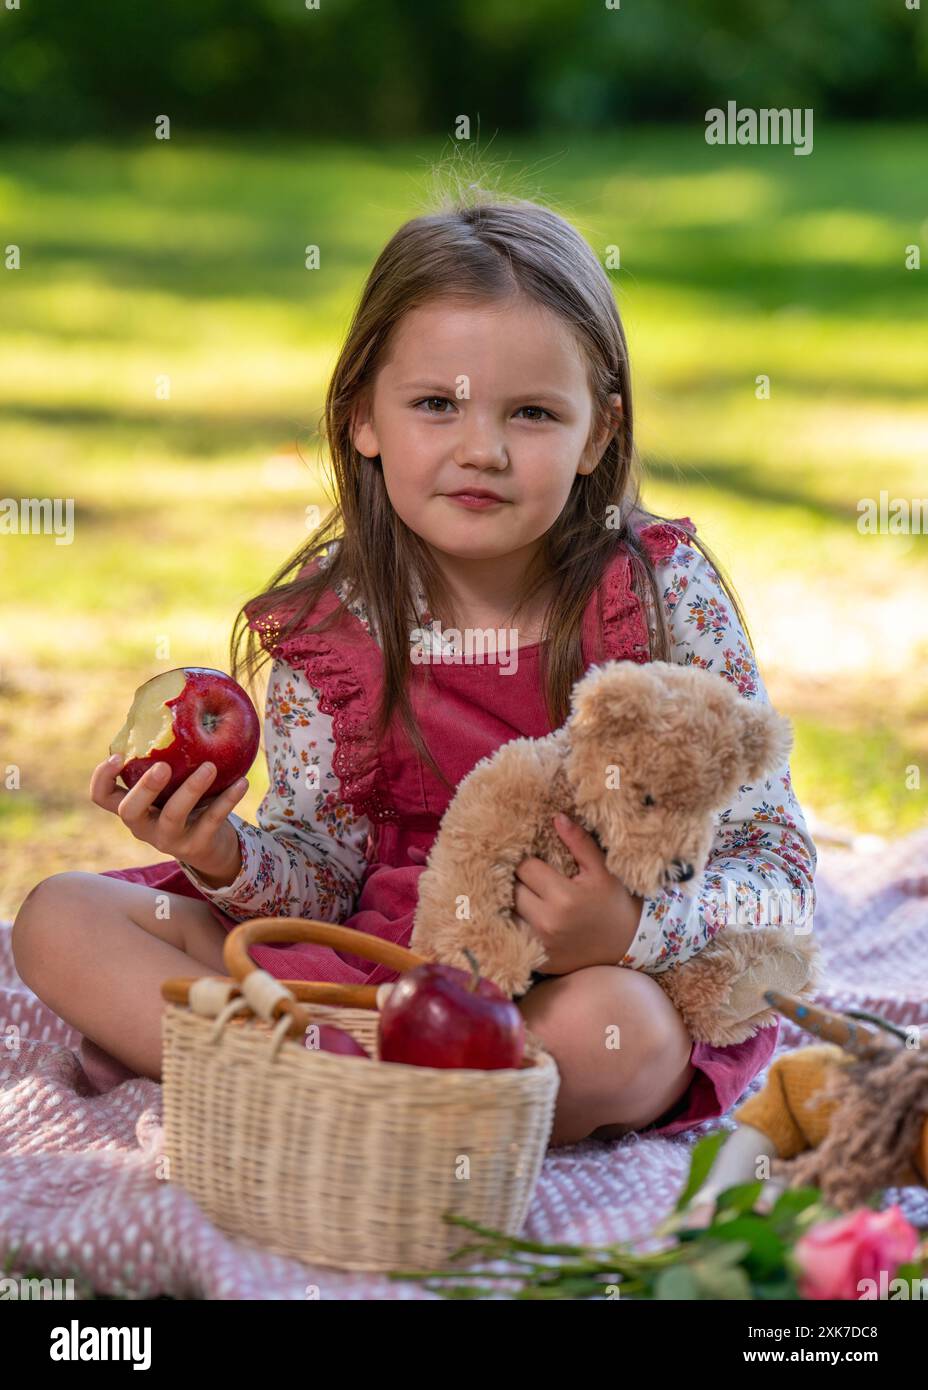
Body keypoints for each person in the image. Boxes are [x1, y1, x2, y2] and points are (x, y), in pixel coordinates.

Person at [12, 193, 816, 1145]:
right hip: (366, 970)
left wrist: (628, 931)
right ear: (364, 418)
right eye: (437, 404)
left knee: (628, 1036)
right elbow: (324, 876)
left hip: (559, 994)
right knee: (58, 919)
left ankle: (302, 1093)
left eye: (532, 412)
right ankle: (376, 1101)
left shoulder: (660, 597)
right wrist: (221, 857)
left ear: (599, 433)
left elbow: (779, 871)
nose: (482, 448)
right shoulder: (333, 627)